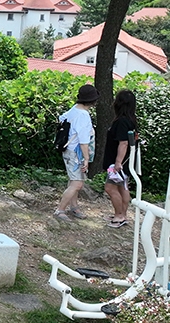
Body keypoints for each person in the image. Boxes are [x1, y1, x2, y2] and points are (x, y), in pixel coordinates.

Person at [57, 84, 98, 219]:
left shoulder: (74, 109)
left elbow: (61, 118)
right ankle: (60, 210)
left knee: (73, 180)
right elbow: (83, 140)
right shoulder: (83, 115)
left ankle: (74, 207)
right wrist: (86, 158)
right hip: (76, 153)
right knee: (77, 183)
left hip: (68, 150)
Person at [103, 90, 138, 228]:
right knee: (123, 187)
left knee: (110, 188)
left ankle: (119, 215)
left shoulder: (122, 122)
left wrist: (118, 162)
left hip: (119, 162)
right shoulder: (131, 120)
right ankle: (123, 214)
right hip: (127, 161)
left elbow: (123, 143)